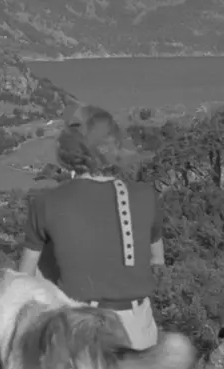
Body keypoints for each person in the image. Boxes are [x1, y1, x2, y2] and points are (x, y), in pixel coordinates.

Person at [18, 104, 165, 350]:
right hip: (138, 334)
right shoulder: (146, 195)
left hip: (78, 332)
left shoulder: (45, 203)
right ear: (113, 147)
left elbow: (23, 280)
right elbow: (157, 260)